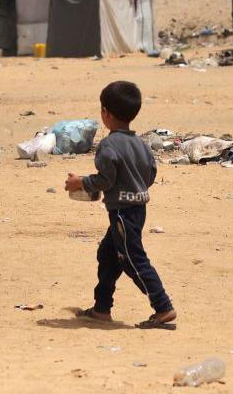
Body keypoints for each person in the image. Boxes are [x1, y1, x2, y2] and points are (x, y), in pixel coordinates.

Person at [65, 81, 176, 328]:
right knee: (108, 254)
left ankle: (163, 307)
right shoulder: (142, 145)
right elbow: (150, 176)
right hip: (137, 209)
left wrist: (80, 182)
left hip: (122, 214)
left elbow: (106, 179)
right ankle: (102, 308)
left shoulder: (109, 145)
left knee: (132, 259)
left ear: (106, 113)